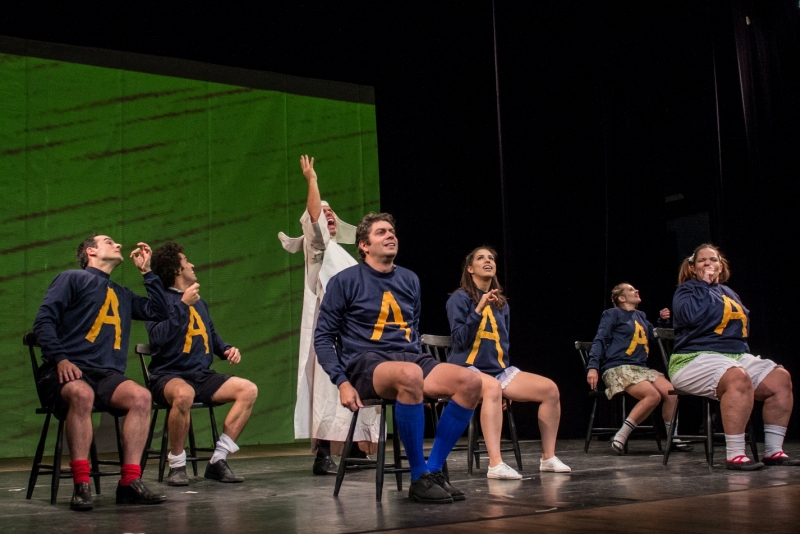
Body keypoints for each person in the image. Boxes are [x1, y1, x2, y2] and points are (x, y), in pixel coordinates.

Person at [314, 213, 483, 503]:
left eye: (392, 231)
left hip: (410, 360)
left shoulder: (409, 279)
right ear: (364, 245)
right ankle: (418, 477)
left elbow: (412, 330)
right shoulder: (345, 281)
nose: (390, 235)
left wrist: (419, 387)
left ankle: (433, 470)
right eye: (381, 232)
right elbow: (323, 337)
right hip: (366, 364)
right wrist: (341, 382)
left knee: (471, 381)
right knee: (409, 374)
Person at [32, 235, 169, 511]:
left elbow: (159, 311)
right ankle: (81, 484)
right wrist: (60, 358)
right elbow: (43, 321)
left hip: (105, 376)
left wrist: (147, 272)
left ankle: (129, 482)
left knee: (141, 397)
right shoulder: (72, 278)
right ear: (91, 251)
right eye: (109, 241)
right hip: (65, 371)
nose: (118, 245)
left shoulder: (122, 293)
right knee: (82, 394)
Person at [279, 155, 380, 475]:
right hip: (331, 334)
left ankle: (355, 451)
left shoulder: (344, 256)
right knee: (327, 389)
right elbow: (315, 222)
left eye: (331, 212)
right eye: (323, 214)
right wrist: (312, 181)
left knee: (357, 385)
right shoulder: (318, 250)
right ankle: (323, 455)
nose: (328, 216)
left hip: (355, 335)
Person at [447, 246, 571, 479]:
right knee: (493, 388)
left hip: (498, 371)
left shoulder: (502, 304)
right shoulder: (459, 299)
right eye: (481, 258)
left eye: (491, 258)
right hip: (466, 370)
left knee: (550, 389)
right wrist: (479, 308)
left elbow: (502, 345)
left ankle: (548, 457)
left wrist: (508, 385)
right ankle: (495, 464)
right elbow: (459, 341)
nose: (488, 261)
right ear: (470, 269)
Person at [670, 244, 797, 470]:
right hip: (693, 358)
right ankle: (736, 455)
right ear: (692, 268)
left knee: (780, 378)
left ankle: (773, 451)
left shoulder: (729, 293)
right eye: (702, 260)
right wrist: (703, 284)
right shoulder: (687, 290)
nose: (708, 263)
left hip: (734, 357)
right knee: (737, 376)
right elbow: (690, 317)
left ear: (721, 266)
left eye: (713, 260)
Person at [147, 242, 259, 486]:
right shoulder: (160, 300)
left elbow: (211, 335)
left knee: (248, 389)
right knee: (184, 394)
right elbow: (157, 338)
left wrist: (227, 349)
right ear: (177, 269)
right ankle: (177, 465)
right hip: (168, 375)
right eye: (186, 261)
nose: (192, 265)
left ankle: (218, 460)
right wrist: (182, 305)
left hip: (201, 376)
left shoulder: (199, 301)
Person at [587, 283, 679, 454]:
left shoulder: (641, 316)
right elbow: (600, 338)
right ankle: (620, 437)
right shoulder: (612, 314)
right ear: (622, 298)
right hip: (618, 367)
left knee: (671, 393)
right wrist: (593, 366)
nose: (636, 290)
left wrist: (662, 321)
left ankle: (672, 438)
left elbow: (653, 336)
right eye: (630, 290)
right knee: (652, 396)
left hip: (640, 369)